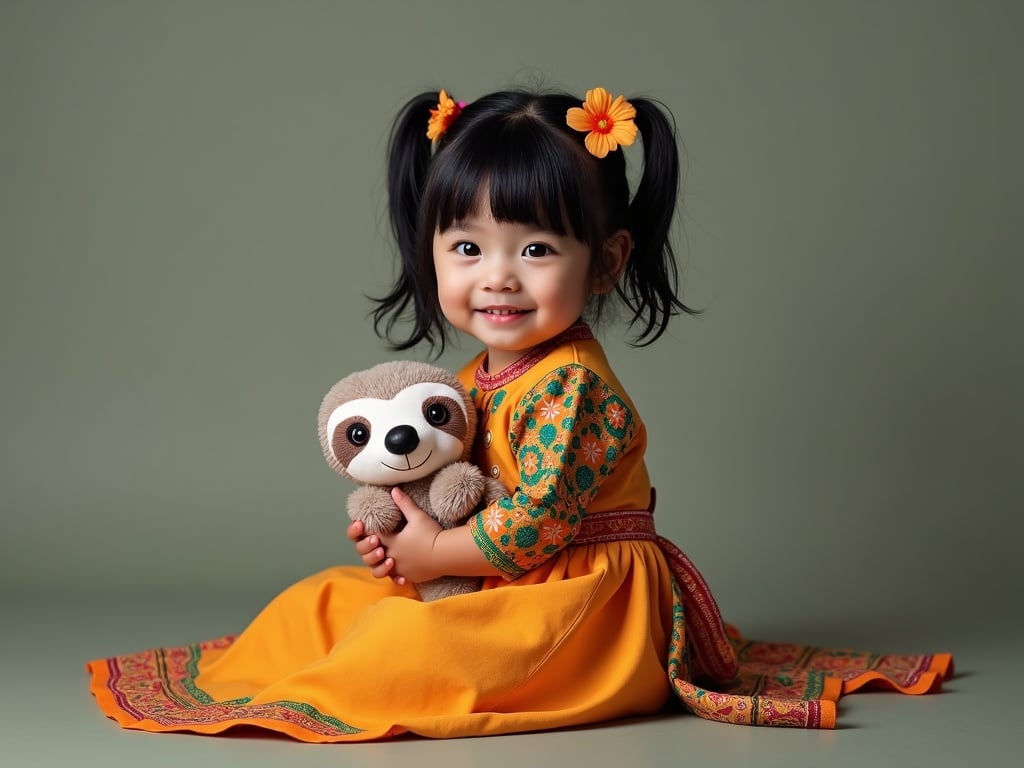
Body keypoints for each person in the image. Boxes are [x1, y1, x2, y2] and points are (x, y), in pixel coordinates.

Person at [86, 86, 952, 741]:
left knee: (407, 657)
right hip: (496, 577)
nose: (498, 276)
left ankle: (450, 661)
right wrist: (407, 541)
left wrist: (435, 551)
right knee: (316, 605)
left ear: (607, 261)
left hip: (583, 599)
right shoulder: (481, 371)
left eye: (536, 248)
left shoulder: (572, 385)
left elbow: (533, 524)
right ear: (431, 253)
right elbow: (461, 481)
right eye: (468, 246)